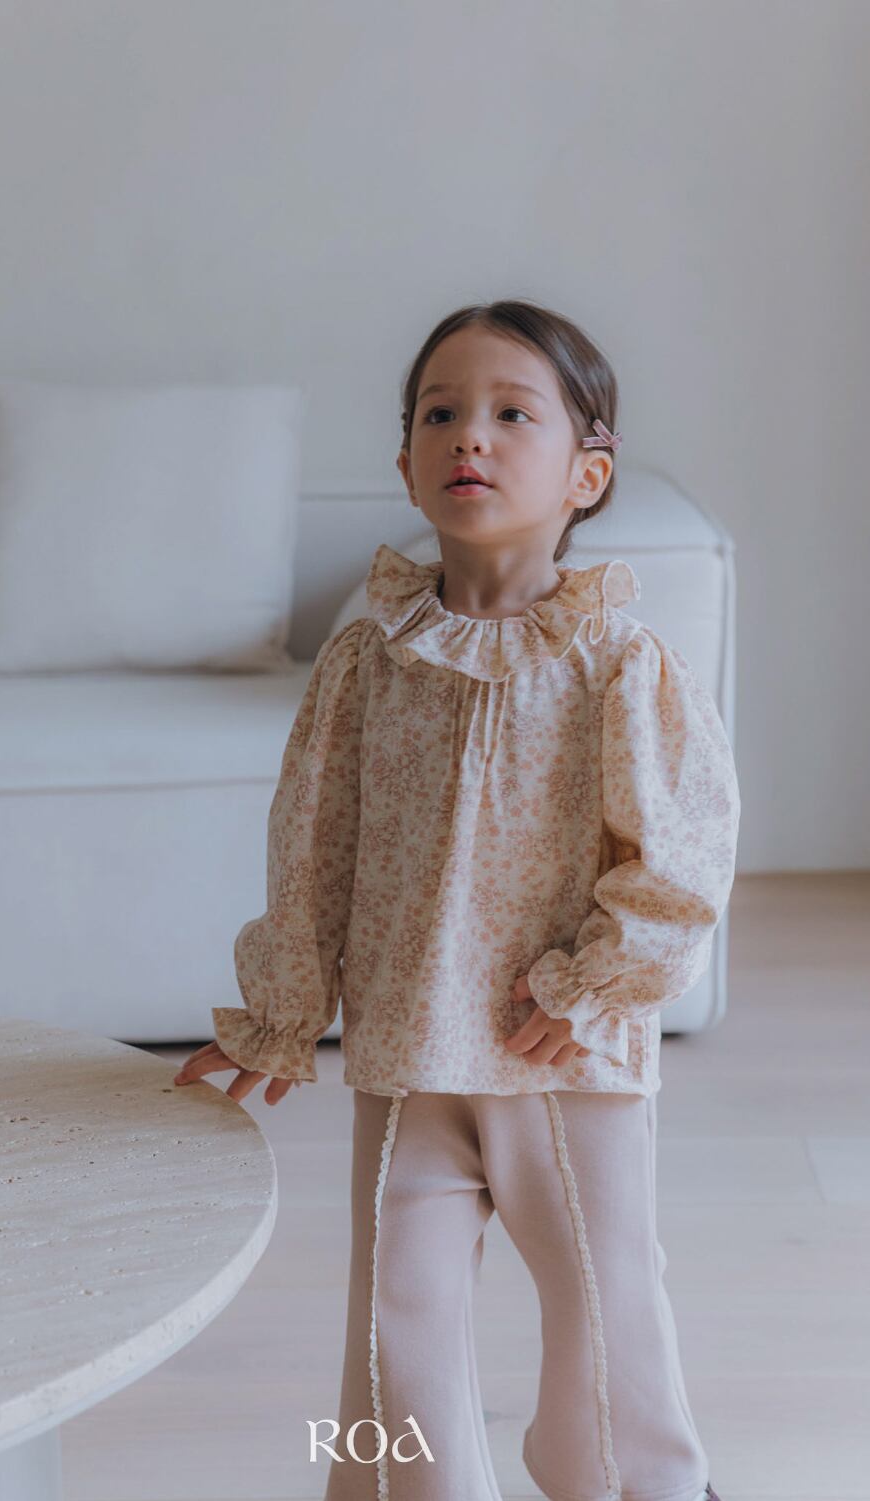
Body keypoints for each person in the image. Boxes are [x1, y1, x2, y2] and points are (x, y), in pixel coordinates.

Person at [174, 299, 739, 1501]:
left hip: (560, 1050)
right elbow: (311, 843)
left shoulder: (617, 662)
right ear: (404, 465)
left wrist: (593, 985)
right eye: (439, 413)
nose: (468, 435)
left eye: (510, 413)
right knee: (397, 1318)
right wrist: (281, 1010)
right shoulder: (367, 659)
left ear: (586, 474)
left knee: (604, 1305)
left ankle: (635, 1482)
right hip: (405, 1046)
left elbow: (681, 854)